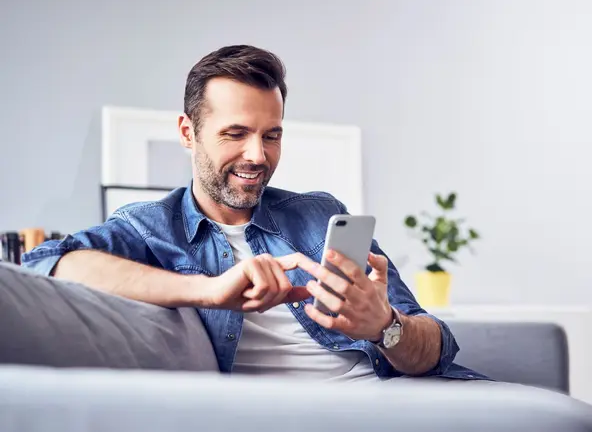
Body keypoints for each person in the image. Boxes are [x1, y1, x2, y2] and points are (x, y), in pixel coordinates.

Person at [22, 44, 486, 382]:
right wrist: (208, 290)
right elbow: (45, 264)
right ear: (188, 132)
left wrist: (386, 327)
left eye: (272, 135)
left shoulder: (319, 214)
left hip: (396, 401)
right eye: (235, 133)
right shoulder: (149, 227)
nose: (258, 156)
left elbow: (437, 345)